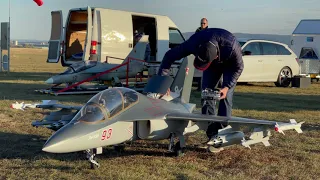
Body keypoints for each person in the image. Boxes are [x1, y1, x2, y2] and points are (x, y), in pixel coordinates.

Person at [157, 28, 244, 152]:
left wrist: (227, 87)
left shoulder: (231, 47)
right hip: (212, 64)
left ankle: (222, 133)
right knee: (207, 93)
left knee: (226, 96)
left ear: (216, 56)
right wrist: (163, 82)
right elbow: (169, 56)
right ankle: (211, 134)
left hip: (230, 65)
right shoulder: (193, 43)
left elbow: (239, 67)